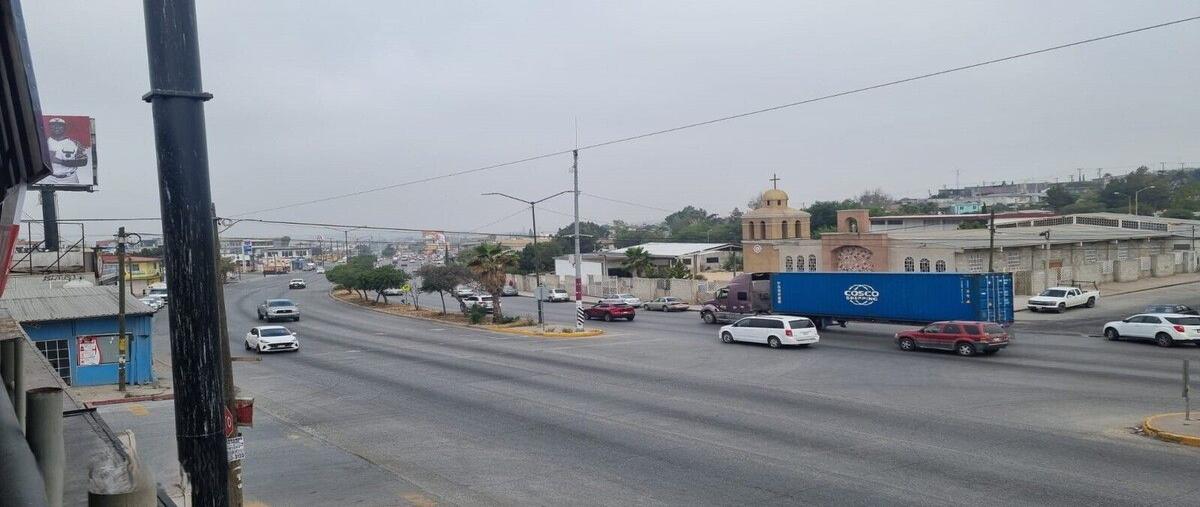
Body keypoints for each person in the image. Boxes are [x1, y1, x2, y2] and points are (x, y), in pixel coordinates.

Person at [44, 117, 89, 185]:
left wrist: (59, 161)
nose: (56, 127)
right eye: (53, 125)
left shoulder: (75, 143)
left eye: (60, 125)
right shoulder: (43, 143)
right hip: (48, 178)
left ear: (64, 128)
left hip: (69, 179)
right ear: (50, 127)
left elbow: (83, 161)